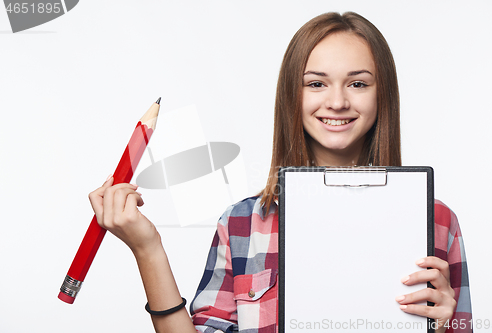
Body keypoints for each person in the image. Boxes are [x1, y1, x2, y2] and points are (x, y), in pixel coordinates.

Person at [89, 11, 472, 333]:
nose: (337, 102)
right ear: (293, 94)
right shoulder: (242, 224)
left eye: (358, 83)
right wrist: (147, 249)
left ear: (381, 94)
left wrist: (446, 327)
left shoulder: (436, 221)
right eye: (316, 84)